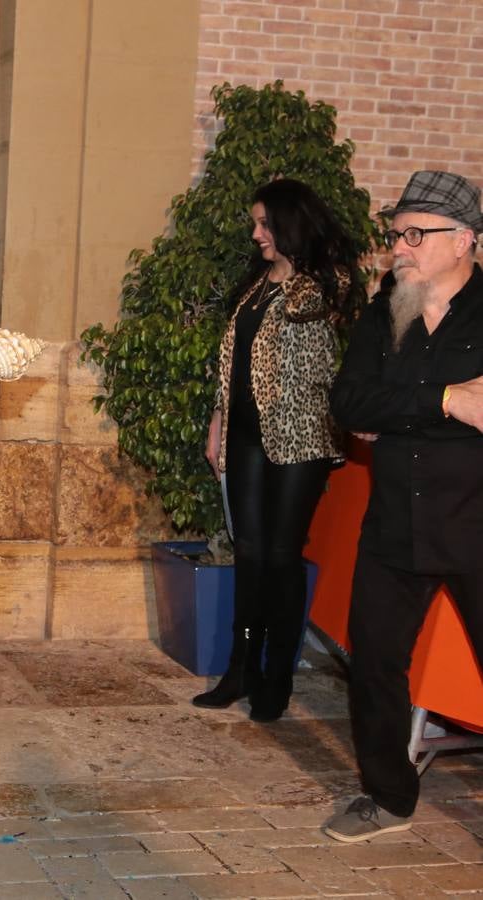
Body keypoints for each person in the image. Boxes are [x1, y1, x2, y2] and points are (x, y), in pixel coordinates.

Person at [324, 170, 483, 843]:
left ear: (466, 240)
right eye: (396, 234)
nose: (400, 248)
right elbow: (349, 404)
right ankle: (388, 795)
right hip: (394, 522)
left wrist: (397, 416)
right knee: (375, 660)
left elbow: (375, 411)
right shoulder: (383, 311)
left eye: (417, 234)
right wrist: (450, 402)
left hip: (476, 523)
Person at [199, 178, 363, 721]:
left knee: (280, 555)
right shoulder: (256, 285)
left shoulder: (319, 288)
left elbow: (326, 329)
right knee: (249, 552)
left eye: (265, 224)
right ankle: (240, 667)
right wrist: (219, 419)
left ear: (289, 225)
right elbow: (237, 359)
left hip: (300, 438)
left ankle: (276, 675)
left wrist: (296, 268)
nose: (256, 234)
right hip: (245, 434)